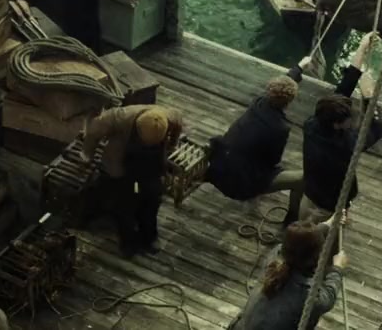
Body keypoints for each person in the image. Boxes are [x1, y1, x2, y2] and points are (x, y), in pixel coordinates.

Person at [81, 104, 184, 256]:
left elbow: (178, 126)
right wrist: (87, 154)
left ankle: (149, 237)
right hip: (123, 159)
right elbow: (94, 130)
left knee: (152, 199)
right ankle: (128, 242)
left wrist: (172, 144)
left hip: (152, 162)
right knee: (125, 203)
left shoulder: (170, 117)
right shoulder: (119, 117)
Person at [206, 70, 306, 225]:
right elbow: (274, 160)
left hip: (218, 170)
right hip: (240, 185)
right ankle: (291, 221)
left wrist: (299, 68)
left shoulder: (257, 103)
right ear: (289, 102)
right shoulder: (281, 128)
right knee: (301, 179)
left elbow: (279, 88)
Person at [302, 31, 382, 215]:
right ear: (337, 125)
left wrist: (362, 48)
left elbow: (343, 90)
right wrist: (369, 96)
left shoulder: (312, 124)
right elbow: (376, 128)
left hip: (310, 189)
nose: (352, 120)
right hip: (331, 205)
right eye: (349, 119)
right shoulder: (347, 144)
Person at [229, 218, 348, 330]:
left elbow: (299, 243)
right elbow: (328, 298)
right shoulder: (308, 295)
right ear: (318, 256)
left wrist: (329, 222)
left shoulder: (275, 258)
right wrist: (337, 268)